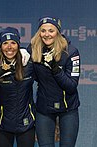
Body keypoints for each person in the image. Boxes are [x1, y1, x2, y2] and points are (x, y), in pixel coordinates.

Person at [0, 27, 35, 147]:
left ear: (18, 45)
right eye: (5, 43)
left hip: (26, 124)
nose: (9, 47)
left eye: (13, 43)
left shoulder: (28, 64)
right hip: (3, 125)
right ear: (0, 46)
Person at [27, 16, 80, 147]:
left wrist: (55, 69)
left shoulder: (71, 51)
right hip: (44, 108)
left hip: (68, 109)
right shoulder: (33, 49)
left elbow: (71, 86)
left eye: (51, 30)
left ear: (58, 32)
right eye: (43, 31)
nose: (47, 34)